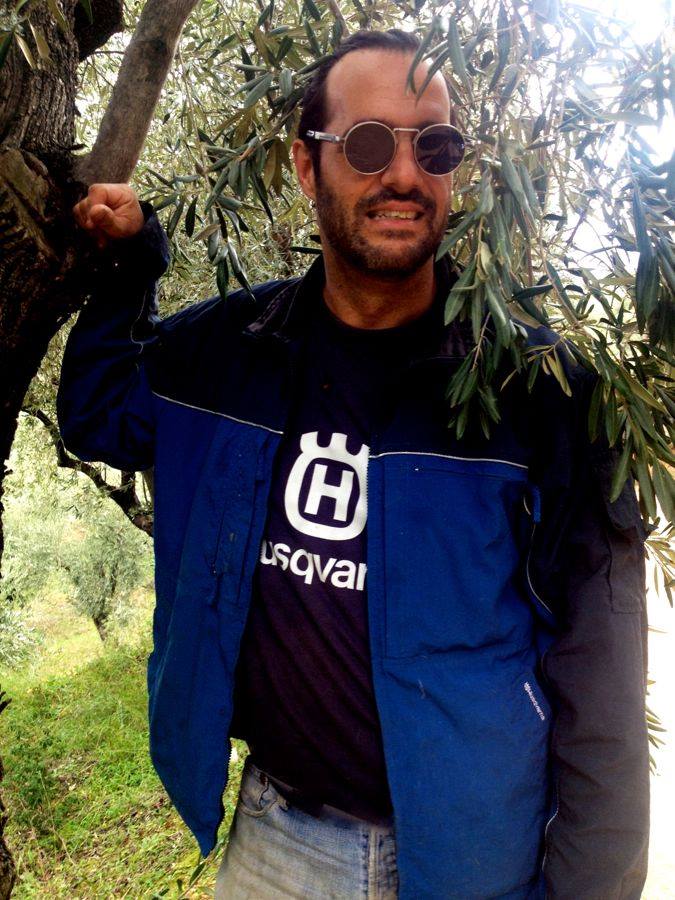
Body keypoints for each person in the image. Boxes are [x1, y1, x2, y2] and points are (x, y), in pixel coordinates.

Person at [61, 28, 649, 900]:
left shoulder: (542, 393)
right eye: (368, 144)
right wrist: (131, 266)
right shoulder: (229, 353)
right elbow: (98, 415)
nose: (405, 175)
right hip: (278, 844)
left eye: (434, 147)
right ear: (307, 167)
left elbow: (600, 680)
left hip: (476, 856)